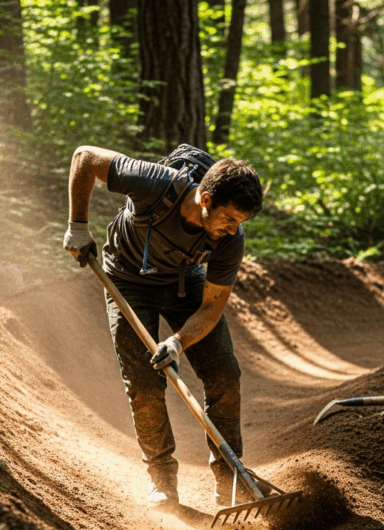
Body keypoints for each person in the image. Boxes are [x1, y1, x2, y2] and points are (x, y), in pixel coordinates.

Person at [63, 145, 264, 510]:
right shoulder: (155, 184)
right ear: (205, 199)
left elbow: (212, 307)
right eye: (229, 219)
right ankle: (162, 481)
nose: (232, 230)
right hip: (128, 276)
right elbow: (84, 158)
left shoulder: (230, 242)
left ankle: (230, 481)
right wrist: (78, 227)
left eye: (240, 223)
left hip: (185, 282)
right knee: (143, 380)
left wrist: (177, 341)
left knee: (224, 373)